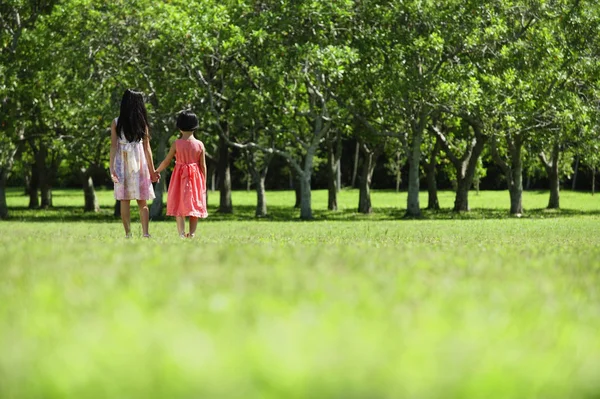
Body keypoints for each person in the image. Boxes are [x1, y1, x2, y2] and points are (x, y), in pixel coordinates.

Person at [109, 89, 158, 238]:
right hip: (139, 165)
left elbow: (113, 146)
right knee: (142, 201)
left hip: (122, 164)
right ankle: (145, 233)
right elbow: (147, 148)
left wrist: (111, 168)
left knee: (125, 201)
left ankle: (128, 234)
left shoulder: (116, 122)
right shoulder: (142, 124)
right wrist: (152, 170)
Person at [155, 110, 208, 238]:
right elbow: (203, 165)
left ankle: (181, 233)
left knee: (179, 204)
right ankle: (193, 233)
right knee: (194, 204)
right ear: (195, 126)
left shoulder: (176, 144)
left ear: (179, 126)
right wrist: (203, 181)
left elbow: (167, 161)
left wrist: (156, 171)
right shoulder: (200, 144)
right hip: (195, 179)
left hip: (179, 178)